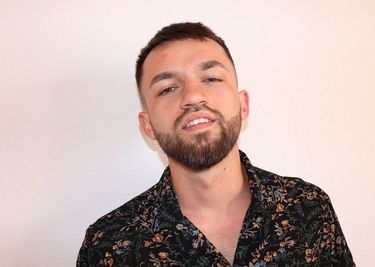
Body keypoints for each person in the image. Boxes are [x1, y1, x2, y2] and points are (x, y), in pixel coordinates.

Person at [77, 22, 355, 266]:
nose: (193, 96)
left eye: (211, 78)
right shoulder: (108, 246)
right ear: (147, 125)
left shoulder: (308, 209)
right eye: (167, 89)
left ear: (242, 105)